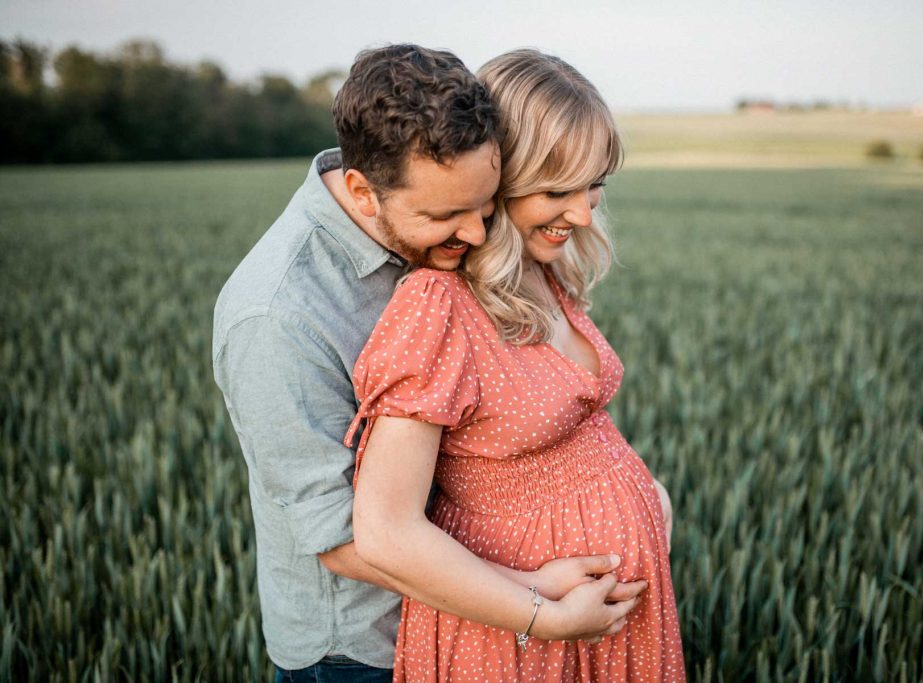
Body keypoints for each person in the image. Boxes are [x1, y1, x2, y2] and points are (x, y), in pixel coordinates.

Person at [212, 44, 645, 682]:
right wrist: (534, 596)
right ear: (363, 192)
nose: (473, 235)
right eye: (446, 216)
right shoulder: (277, 316)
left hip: (489, 623)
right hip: (364, 650)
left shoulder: (445, 224)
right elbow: (346, 538)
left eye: (487, 206)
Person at [345, 49, 687, 681]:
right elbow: (386, 532)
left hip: (604, 622)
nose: (583, 214)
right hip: (518, 640)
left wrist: (648, 499)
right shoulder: (436, 308)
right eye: (556, 190)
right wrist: (545, 616)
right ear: (496, 179)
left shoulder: (540, 272)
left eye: (593, 186)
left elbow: (567, 436)